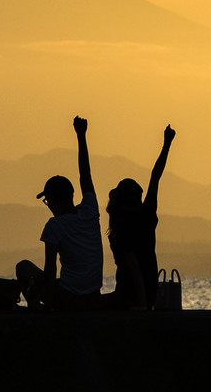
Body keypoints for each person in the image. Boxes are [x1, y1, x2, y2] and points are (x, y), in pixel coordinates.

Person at [16, 116, 103, 310]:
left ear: (54, 199)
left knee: (23, 267)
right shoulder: (90, 211)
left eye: (47, 200)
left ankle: (36, 310)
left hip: (68, 299)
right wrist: (81, 135)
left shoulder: (55, 225)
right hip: (93, 299)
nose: (48, 205)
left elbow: (50, 268)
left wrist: (50, 302)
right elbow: (85, 174)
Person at [104, 124, 176, 310]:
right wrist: (167, 144)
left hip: (131, 295)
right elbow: (155, 176)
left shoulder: (120, 230)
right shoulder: (147, 216)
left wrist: (143, 307)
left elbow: (134, 270)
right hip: (151, 292)